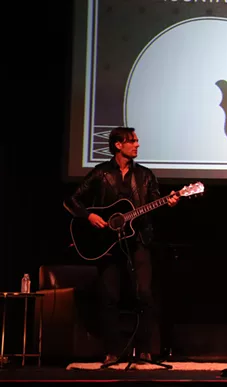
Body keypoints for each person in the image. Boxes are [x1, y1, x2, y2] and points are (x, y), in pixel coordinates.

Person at [63, 127, 180, 366]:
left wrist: (170, 201)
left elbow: (155, 201)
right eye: (132, 141)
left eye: (137, 141)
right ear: (118, 145)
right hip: (107, 244)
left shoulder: (146, 176)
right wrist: (89, 217)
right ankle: (113, 352)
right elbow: (71, 200)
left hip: (138, 242)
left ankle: (145, 350)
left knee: (145, 295)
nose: (137, 145)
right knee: (109, 297)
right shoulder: (100, 173)